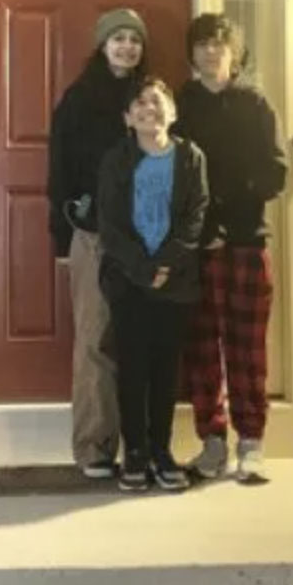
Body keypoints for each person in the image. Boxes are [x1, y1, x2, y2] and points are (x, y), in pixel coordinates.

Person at [175, 13, 287, 484]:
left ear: (234, 54)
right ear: (192, 53)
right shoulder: (180, 104)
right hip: (196, 246)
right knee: (202, 347)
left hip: (244, 241)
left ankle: (253, 443)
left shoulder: (255, 104)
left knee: (246, 348)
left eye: (219, 45)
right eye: (202, 45)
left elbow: (275, 172)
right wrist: (203, 227)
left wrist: (228, 213)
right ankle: (213, 441)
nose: (210, 53)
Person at [48, 8, 148, 478]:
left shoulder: (153, 98)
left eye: (134, 39)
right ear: (102, 45)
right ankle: (94, 447)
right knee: (94, 341)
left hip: (145, 238)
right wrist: (62, 237)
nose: (127, 46)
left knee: (141, 341)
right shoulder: (78, 100)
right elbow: (59, 172)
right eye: (118, 38)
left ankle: (143, 447)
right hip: (91, 236)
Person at [98, 77, 208, 493]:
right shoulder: (115, 160)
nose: (149, 108)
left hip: (176, 281)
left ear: (173, 112)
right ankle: (136, 453)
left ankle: (162, 451)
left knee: (166, 369)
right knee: (132, 367)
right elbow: (110, 224)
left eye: (158, 101)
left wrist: (165, 264)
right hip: (128, 281)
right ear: (128, 117)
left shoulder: (191, 157)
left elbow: (195, 216)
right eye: (140, 103)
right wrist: (143, 269)